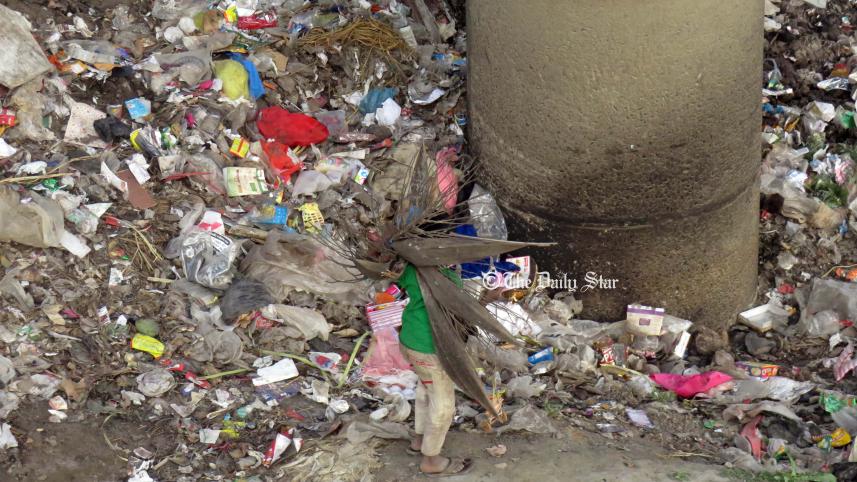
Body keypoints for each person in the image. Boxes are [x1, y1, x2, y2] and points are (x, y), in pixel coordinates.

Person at [389, 260, 502, 477]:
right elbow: (459, 320)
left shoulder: (410, 268)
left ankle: (419, 439)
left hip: (410, 339)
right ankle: (431, 460)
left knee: (425, 388)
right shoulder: (447, 279)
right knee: (443, 405)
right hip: (430, 348)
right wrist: (486, 300)